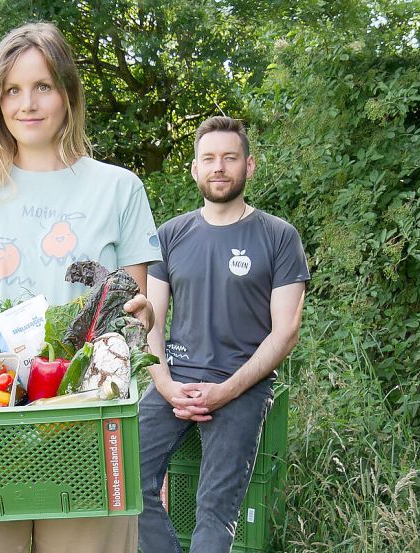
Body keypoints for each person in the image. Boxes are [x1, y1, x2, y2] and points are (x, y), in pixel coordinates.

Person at [0, 22, 161, 553]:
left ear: (67, 94)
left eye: (43, 86)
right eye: (12, 90)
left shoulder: (118, 188)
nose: (28, 103)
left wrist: (141, 318)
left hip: (83, 423)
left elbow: (130, 313)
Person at [137, 116, 310, 553]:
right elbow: (150, 320)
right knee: (121, 479)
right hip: (174, 379)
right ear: (195, 169)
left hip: (242, 383)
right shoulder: (171, 235)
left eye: (229, 158)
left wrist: (226, 391)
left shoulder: (278, 236)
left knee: (214, 510)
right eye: (209, 159)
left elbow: (286, 331)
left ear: (248, 166)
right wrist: (166, 385)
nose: (219, 167)